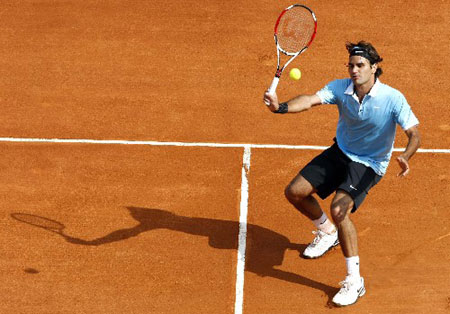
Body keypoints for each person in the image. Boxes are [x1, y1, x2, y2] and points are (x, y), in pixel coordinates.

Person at [263, 41, 421, 307]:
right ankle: (327, 233)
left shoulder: (393, 98)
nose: (354, 70)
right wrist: (281, 107)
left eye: (360, 65)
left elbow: (414, 133)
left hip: (370, 164)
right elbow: (310, 101)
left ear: (374, 67)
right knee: (295, 192)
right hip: (341, 152)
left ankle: (354, 281)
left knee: (339, 210)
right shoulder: (339, 88)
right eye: (351, 65)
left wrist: (406, 155)